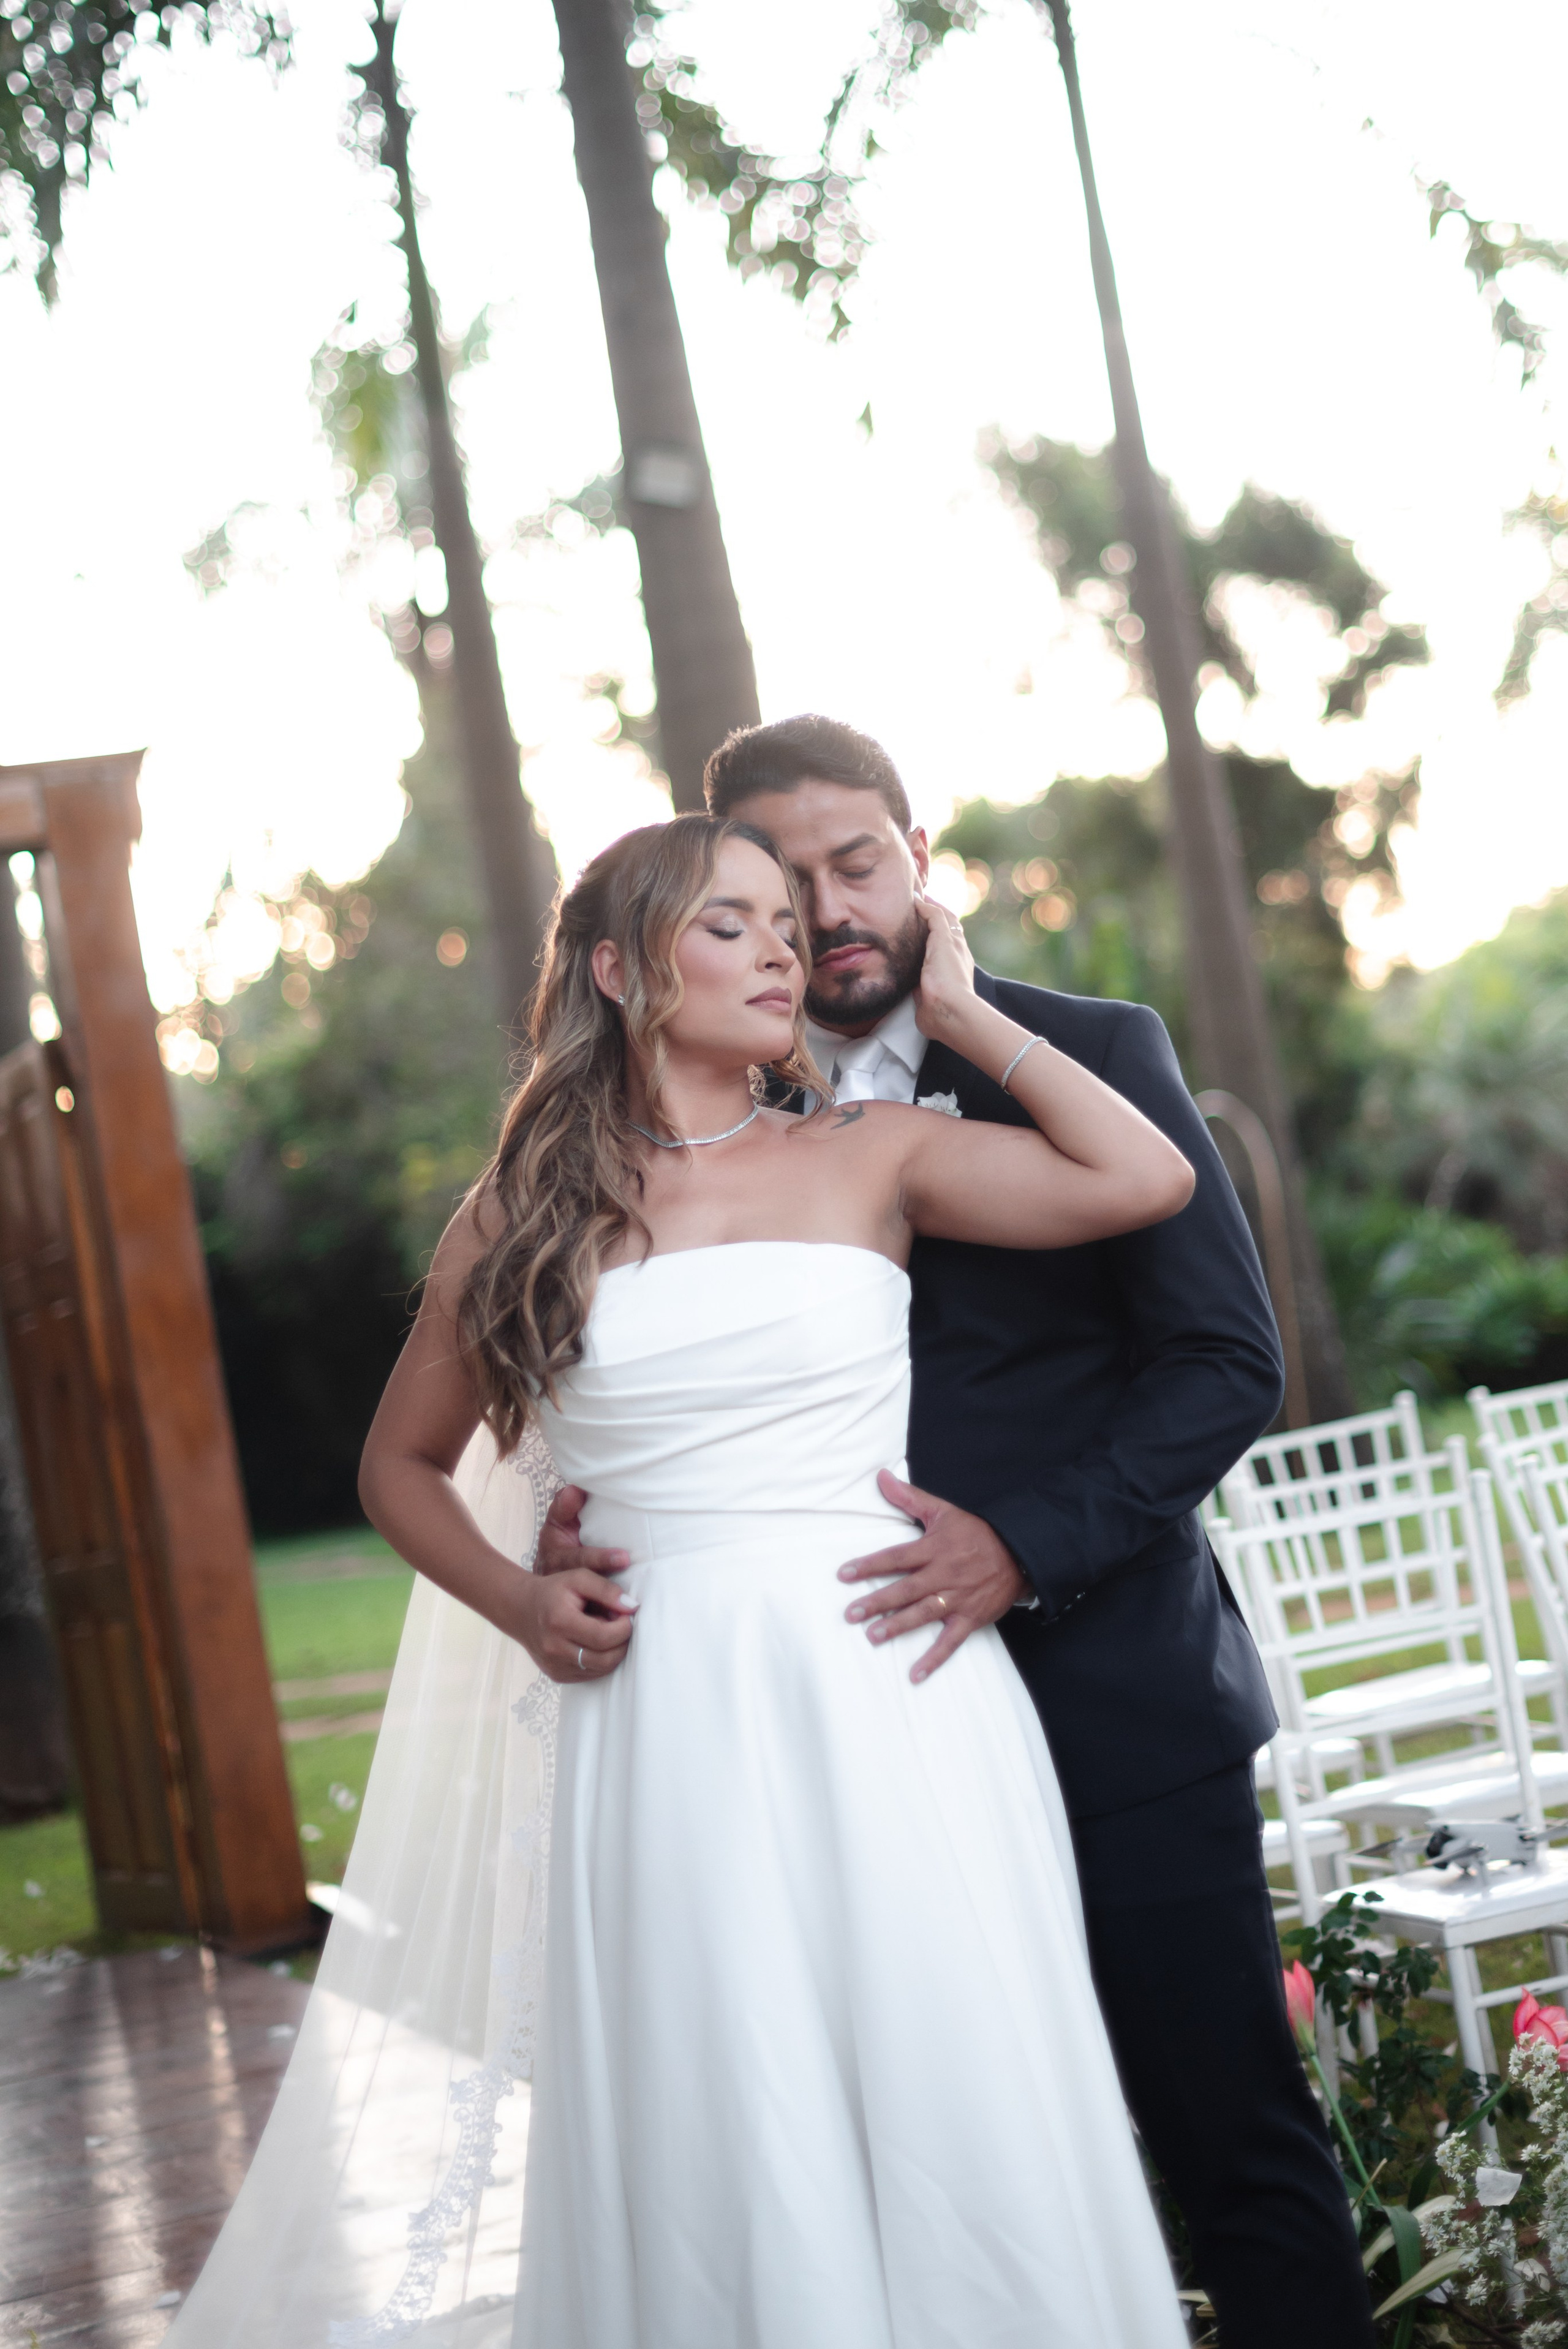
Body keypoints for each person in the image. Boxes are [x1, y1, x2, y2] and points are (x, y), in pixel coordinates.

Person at [537, 716, 1378, 2349]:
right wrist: (603, 1502)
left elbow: (1229, 1361)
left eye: (861, 860)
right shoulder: (713, 1124)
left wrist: (1022, 1542)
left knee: (1230, 2142)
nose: (830, 904)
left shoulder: (1087, 1048)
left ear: (920, 862)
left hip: (1113, 1697)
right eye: (786, 880)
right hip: (840, 1742)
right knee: (917, 2163)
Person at [353, 812, 1195, 2347]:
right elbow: (395, 1470)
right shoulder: (521, 1218)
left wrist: (965, 1018)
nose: (779, 950)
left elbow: (1139, 1174)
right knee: (726, 2107)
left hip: (893, 1693)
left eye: (785, 929)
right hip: (662, 1723)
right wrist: (520, 1600)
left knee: (954, 2086)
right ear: (618, 967)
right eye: (728, 922)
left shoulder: (871, 1154)